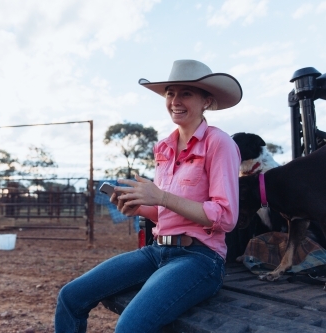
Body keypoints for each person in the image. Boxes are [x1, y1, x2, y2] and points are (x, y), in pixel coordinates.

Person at [55, 59, 242, 332]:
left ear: (206, 101)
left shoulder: (219, 143)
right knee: (70, 297)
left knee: (129, 327)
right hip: (156, 251)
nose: (175, 100)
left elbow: (225, 217)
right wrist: (137, 207)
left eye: (186, 93)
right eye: (170, 93)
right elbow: (163, 213)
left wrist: (162, 197)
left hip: (200, 258)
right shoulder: (164, 148)